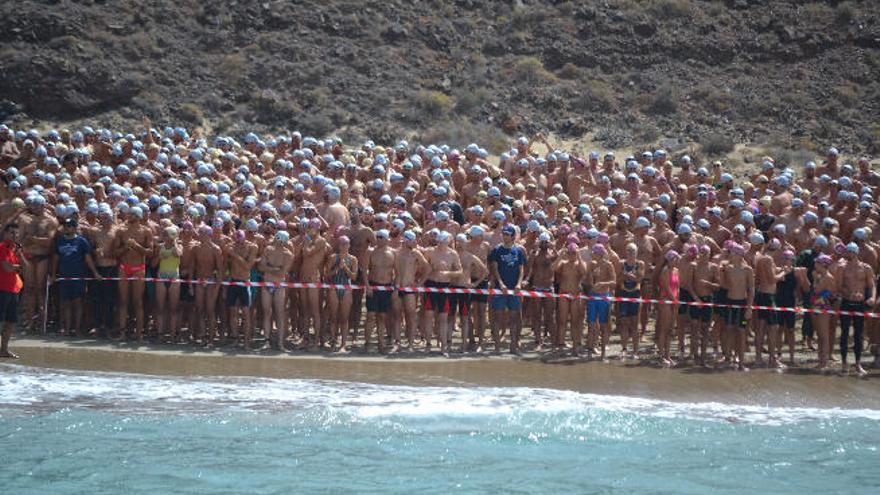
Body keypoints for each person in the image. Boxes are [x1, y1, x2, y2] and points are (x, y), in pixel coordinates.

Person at [51, 217, 101, 336]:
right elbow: (56, 259)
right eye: (65, 226)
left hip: (78, 277)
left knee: (78, 303)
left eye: (69, 226)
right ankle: (67, 329)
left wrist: (95, 272)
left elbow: (88, 259)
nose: (66, 228)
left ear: (74, 228)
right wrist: (53, 274)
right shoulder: (60, 241)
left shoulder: (82, 241)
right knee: (66, 303)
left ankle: (77, 329)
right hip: (64, 276)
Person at [112, 206, 153, 341]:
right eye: (128, 214)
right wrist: (126, 247)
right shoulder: (121, 231)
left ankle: (139, 333)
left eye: (131, 214)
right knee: (123, 301)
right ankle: (123, 332)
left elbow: (150, 252)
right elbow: (115, 253)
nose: (128, 216)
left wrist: (136, 246)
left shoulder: (146, 231)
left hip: (138, 268)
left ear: (138, 216)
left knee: (138, 302)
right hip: (124, 267)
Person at [837, 242, 876, 375]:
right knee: (844, 333)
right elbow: (839, 286)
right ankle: (844, 362)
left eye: (850, 252)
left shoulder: (866, 268)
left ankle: (858, 363)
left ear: (855, 252)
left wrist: (872, 298)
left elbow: (872, 285)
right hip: (847, 303)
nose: (848, 254)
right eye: (847, 251)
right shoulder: (842, 267)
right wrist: (848, 293)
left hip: (860, 304)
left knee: (858, 334)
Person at [488, 224, 527, 354]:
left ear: (512, 236)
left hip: (514, 289)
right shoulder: (497, 250)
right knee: (498, 317)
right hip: (500, 289)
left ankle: (513, 346)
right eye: (503, 234)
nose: (504, 236)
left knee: (514, 317)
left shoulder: (519, 251)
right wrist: (501, 283)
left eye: (507, 234)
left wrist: (519, 284)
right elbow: (494, 269)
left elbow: (521, 269)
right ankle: (497, 347)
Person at [721, 242, 755, 371]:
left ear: (740, 255)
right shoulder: (727, 268)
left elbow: (751, 289)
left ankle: (741, 361)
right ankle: (728, 358)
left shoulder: (747, 270)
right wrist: (722, 273)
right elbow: (723, 285)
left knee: (741, 332)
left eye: (733, 253)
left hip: (742, 304)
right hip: (730, 302)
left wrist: (749, 307)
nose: (731, 255)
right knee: (728, 329)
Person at [362, 228, 395, 353]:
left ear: (387, 239)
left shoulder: (393, 252)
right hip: (373, 285)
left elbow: (396, 271)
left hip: (386, 287)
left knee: (382, 316)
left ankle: (381, 344)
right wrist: (367, 286)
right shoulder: (370, 251)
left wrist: (395, 287)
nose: (379, 239)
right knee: (370, 315)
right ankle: (368, 343)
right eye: (378, 236)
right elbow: (364, 270)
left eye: (382, 237)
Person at [324, 235, 358, 353]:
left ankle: (343, 344)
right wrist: (338, 268)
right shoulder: (333, 257)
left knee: (344, 318)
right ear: (338, 245)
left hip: (346, 288)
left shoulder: (353, 259)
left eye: (346, 244)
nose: (344, 246)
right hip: (334, 287)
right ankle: (333, 341)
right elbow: (327, 274)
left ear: (349, 245)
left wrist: (346, 269)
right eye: (342, 244)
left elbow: (354, 277)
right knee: (333, 317)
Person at [553, 242, 586, 356]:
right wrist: (560, 256)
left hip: (576, 295)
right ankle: (561, 343)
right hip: (564, 294)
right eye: (570, 253)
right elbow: (553, 268)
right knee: (562, 320)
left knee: (575, 321)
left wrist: (579, 256)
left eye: (574, 253)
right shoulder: (563, 263)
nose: (572, 255)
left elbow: (584, 272)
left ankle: (575, 345)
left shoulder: (580, 264)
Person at [586, 243, 616, 360]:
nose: (592, 254)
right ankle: (590, 351)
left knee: (603, 325)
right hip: (593, 297)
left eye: (593, 252)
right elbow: (588, 282)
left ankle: (603, 353)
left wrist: (603, 283)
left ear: (599, 254)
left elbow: (614, 282)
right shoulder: (592, 265)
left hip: (604, 297)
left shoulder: (609, 265)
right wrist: (590, 273)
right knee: (591, 324)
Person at [0, 223, 24, 358]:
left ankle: (3, 350)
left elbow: (23, 267)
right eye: (11, 233)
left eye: (16, 233)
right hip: (1, 289)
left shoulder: (15, 249)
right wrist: (15, 267)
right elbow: (8, 268)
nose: (14, 236)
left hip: (13, 289)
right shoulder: (2, 247)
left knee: (10, 321)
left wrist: (19, 255)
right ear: (5, 234)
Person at [617, 242, 645, 359]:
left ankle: (635, 351)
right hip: (623, 295)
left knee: (635, 323)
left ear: (636, 252)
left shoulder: (640, 264)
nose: (630, 253)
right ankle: (624, 348)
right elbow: (617, 280)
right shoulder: (621, 263)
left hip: (635, 296)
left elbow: (640, 279)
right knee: (623, 323)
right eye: (628, 251)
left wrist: (632, 277)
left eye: (633, 251)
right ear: (625, 251)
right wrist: (625, 276)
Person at [657, 250, 680, 366]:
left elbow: (677, 287)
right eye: (672, 259)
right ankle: (661, 356)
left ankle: (668, 355)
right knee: (664, 329)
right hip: (666, 301)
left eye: (675, 258)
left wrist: (677, 300)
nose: (674, 261)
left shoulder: (676, 271)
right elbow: (666, 288)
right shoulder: (665, 271)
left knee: (670, 330)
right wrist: (674, 300)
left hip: (674, 301)